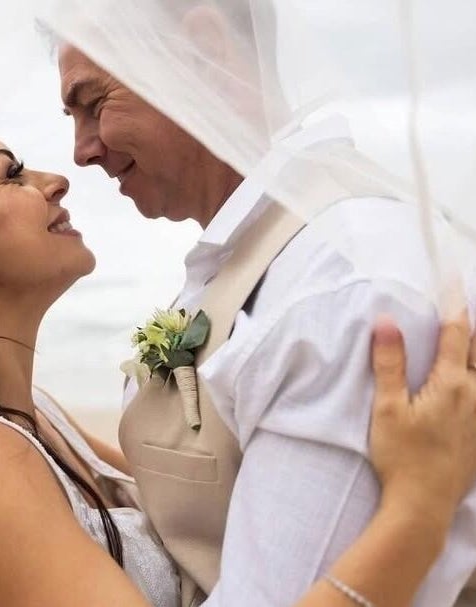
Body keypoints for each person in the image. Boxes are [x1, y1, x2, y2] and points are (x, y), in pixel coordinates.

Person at [0, 113, 476, 606]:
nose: (56, 179)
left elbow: (196, 500)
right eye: (12, 173)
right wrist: (417, 511)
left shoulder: (30, 417)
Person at [56, 5, 476, 605]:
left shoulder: (339, 286)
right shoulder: (258, 259)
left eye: (95, 103)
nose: (80, 152)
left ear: (203, 49)